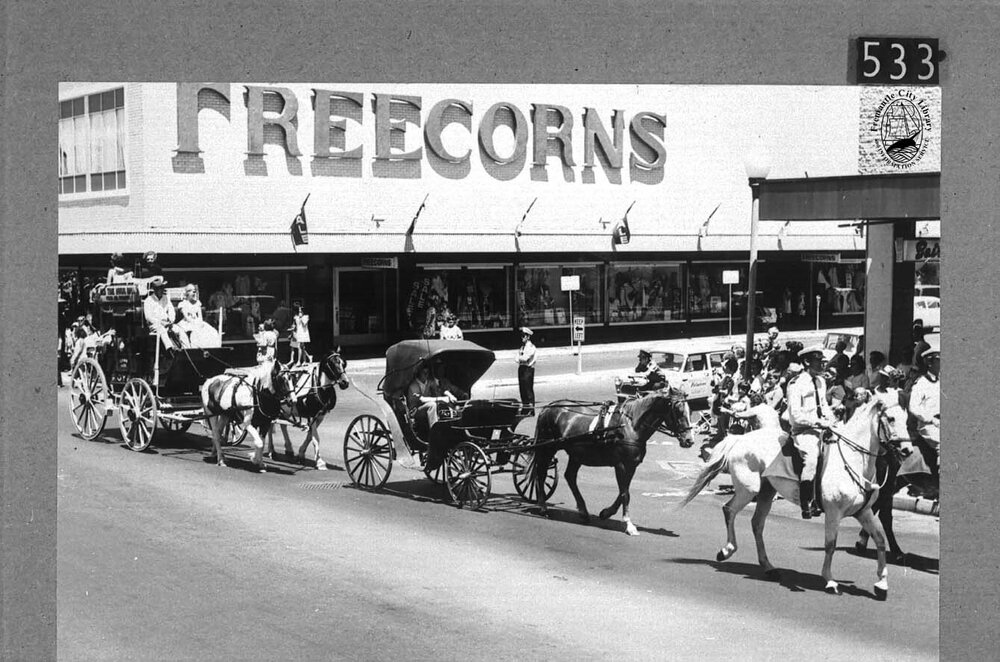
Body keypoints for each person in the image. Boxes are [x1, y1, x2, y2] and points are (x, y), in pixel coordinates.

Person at [786, 344, 836, 519]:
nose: (823, 365)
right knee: (812, 458)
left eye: (823, 361)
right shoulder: (796, 384)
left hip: (822, 427)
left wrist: (831, 420)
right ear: (807, 361)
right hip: (803, 431)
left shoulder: (821, 381)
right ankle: (806, 502)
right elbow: (795, 415)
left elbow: (824, 405)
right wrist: (817, 422)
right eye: (818, 361)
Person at [407, 359, 459, 469]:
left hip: (426, 408)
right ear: (419, 373)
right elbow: (422, 400)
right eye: (424, 373)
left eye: (427, 373)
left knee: (445, 403)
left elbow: (441, 389)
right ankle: (435, 430)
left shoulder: (429, 382)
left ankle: (454, 423)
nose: (426, 375)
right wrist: (440, 398)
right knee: (432, 404)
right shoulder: (414, 386)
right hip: (416, 411)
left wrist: (449, 396)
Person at [908, 346, 940, 486]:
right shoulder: (921, 383)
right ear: (929, 362)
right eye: (939, 360)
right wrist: (930, 419)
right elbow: (913, 406)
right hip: (928, 425)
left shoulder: (941, 381)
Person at [142, 276, 181, 351]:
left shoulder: (166, 298)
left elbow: (171, 311)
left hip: (167, 323)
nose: (161, 290)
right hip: (155, 325)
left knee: (178, 329)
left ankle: (185, 348)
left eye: (162, 288)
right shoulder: (148, 300)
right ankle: (170, 349)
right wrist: (161, 322)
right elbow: (148, 317)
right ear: (154, 289)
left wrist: (171, 321)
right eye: (158, 288)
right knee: (161, 329)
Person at [516, 327, 536, 416]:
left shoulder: (531, 347)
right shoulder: (522, 347)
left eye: (524, 336)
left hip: (528, 369)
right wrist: (520, 358)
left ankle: (531, 410)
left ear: (528, 337)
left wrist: (520, 358)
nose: (522, 338)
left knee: (528, 390)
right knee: (522, 389)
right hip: (521, 369)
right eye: (521, 336)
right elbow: (516, 358)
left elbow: (525, 358)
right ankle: (525, 408)